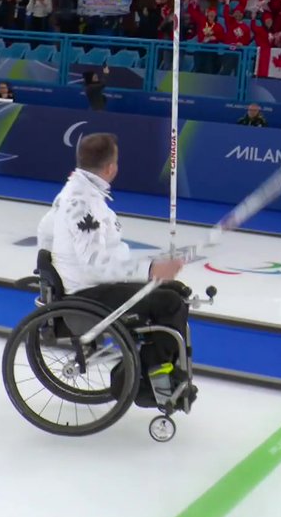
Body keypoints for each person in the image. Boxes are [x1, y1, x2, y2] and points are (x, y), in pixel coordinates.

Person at [36, 133, 189, 404]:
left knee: (175, 290)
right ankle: (151, 384)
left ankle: (160, 373)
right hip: (88, 293)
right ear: (111, 168)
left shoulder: (74, 193)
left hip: (93, 284)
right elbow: (96, 265)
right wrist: (151, 268)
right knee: (169, 303)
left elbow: (45, 230)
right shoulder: (82, 203)